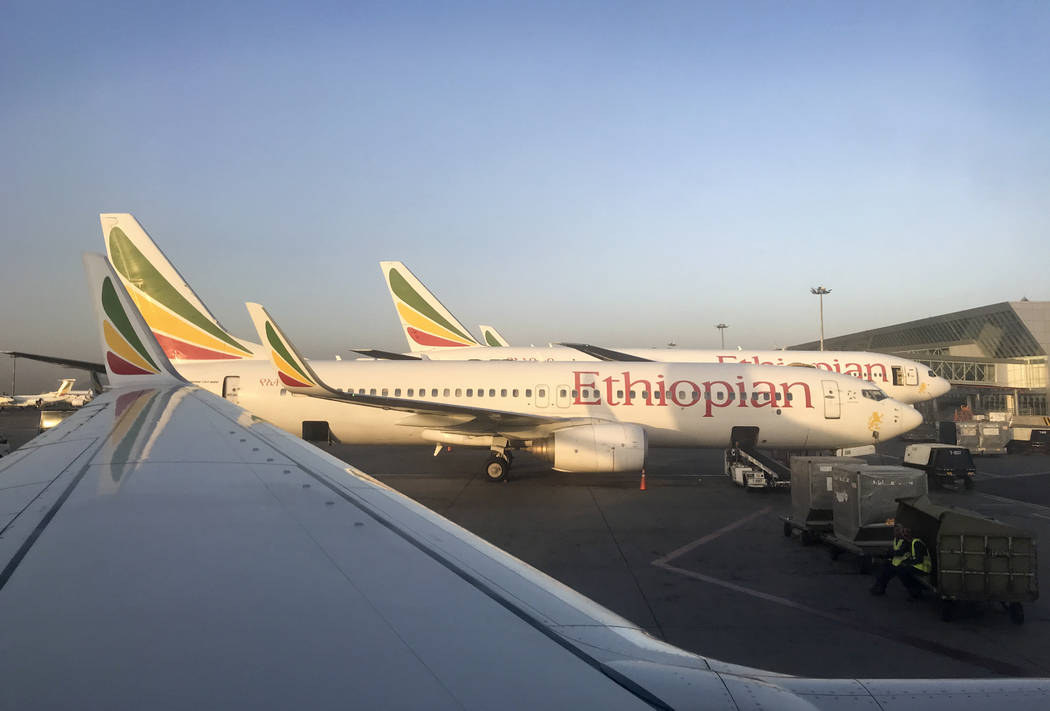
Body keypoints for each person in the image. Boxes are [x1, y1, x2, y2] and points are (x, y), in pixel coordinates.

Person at [870, 524, 932, 598]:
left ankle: (915, 591)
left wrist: (905, 563)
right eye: (903, 532)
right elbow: (897, 552)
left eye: (905, 532)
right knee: (886, 567)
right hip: (907, 564)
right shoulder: (905, 541)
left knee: (900, 571)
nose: (904, 534)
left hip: (922, 567)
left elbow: (916, 558)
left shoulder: (915, 543)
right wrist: (883, 555)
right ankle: (879, 587)